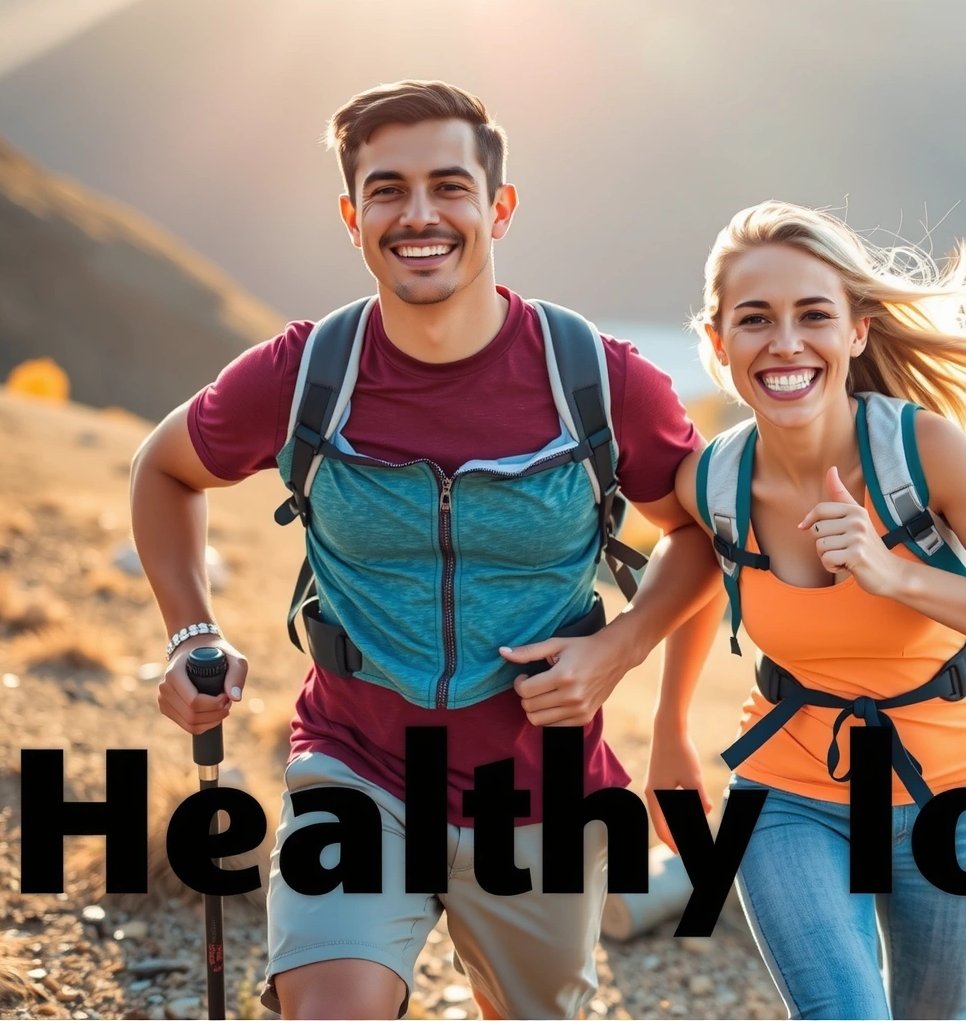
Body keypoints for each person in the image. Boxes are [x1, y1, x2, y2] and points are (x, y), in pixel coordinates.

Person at [129, 79, 723, 1020]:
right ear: (351, 216)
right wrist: (187, 630)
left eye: (449, 186)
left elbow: (701, 534)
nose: (419, 215)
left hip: (541, 795)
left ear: (499, 207)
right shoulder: (305, 373)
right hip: (356, 764)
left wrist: (624, 654)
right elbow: (163, 469)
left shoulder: (596, 381)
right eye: (387, 189)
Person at [647, 201, 966, 1019]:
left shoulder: (921, 454)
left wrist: (900, 577)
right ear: (719, 346)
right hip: (788, 795)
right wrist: (668, 730)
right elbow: (693, 566)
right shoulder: (713, 480)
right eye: (755, 320)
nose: (785, 342)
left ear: (857, 331)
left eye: (813, 315)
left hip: (951, 794)